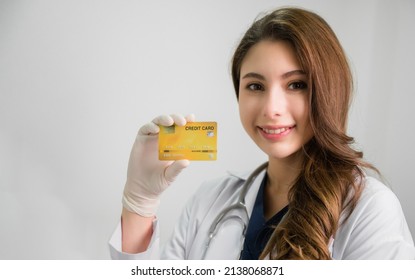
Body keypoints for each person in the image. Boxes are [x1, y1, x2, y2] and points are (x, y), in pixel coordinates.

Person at [109, 7, 415, 259]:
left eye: (296, 84)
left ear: (329, 91)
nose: (271, 108)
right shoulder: (210, 200)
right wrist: (140, 203)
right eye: (255, 86)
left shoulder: (369, 211)